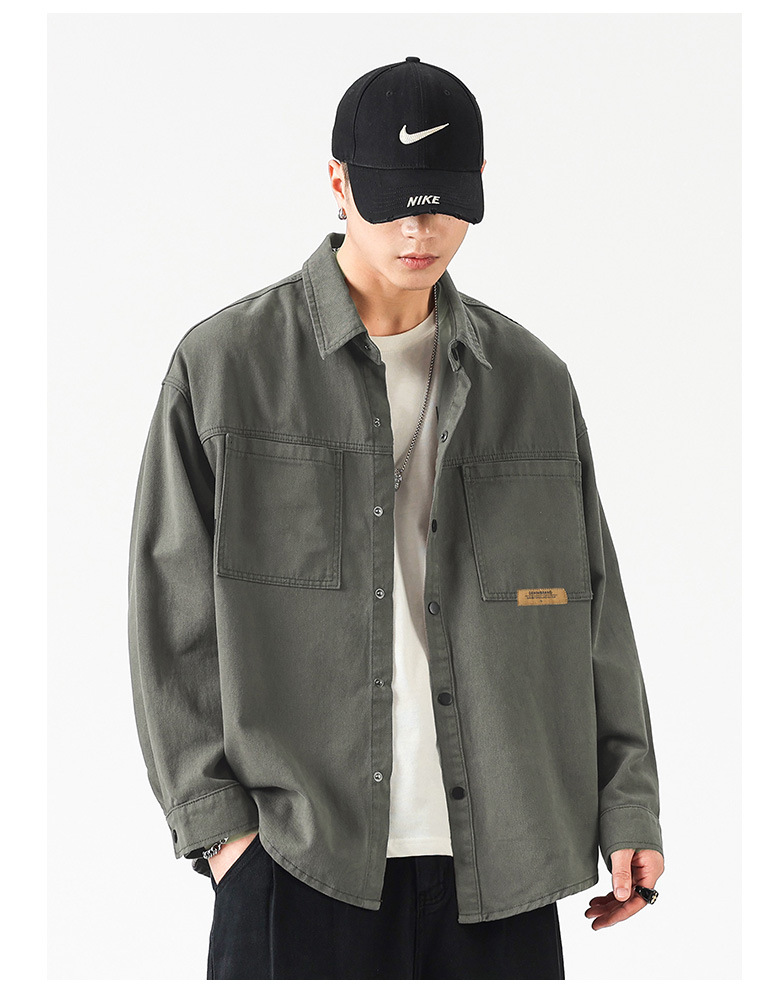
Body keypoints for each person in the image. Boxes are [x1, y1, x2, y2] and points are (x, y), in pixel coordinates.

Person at [127, 56, 664, 980]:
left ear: (478, 183)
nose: (419, 231)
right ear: (338, 183)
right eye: (392, 204)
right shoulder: (225, 370)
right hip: (299, 864)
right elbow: (169, 623)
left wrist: (628, 807)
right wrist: (224, 842)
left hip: (503, 866)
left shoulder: (532, 381)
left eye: (443, 203)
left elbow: (593, 615)